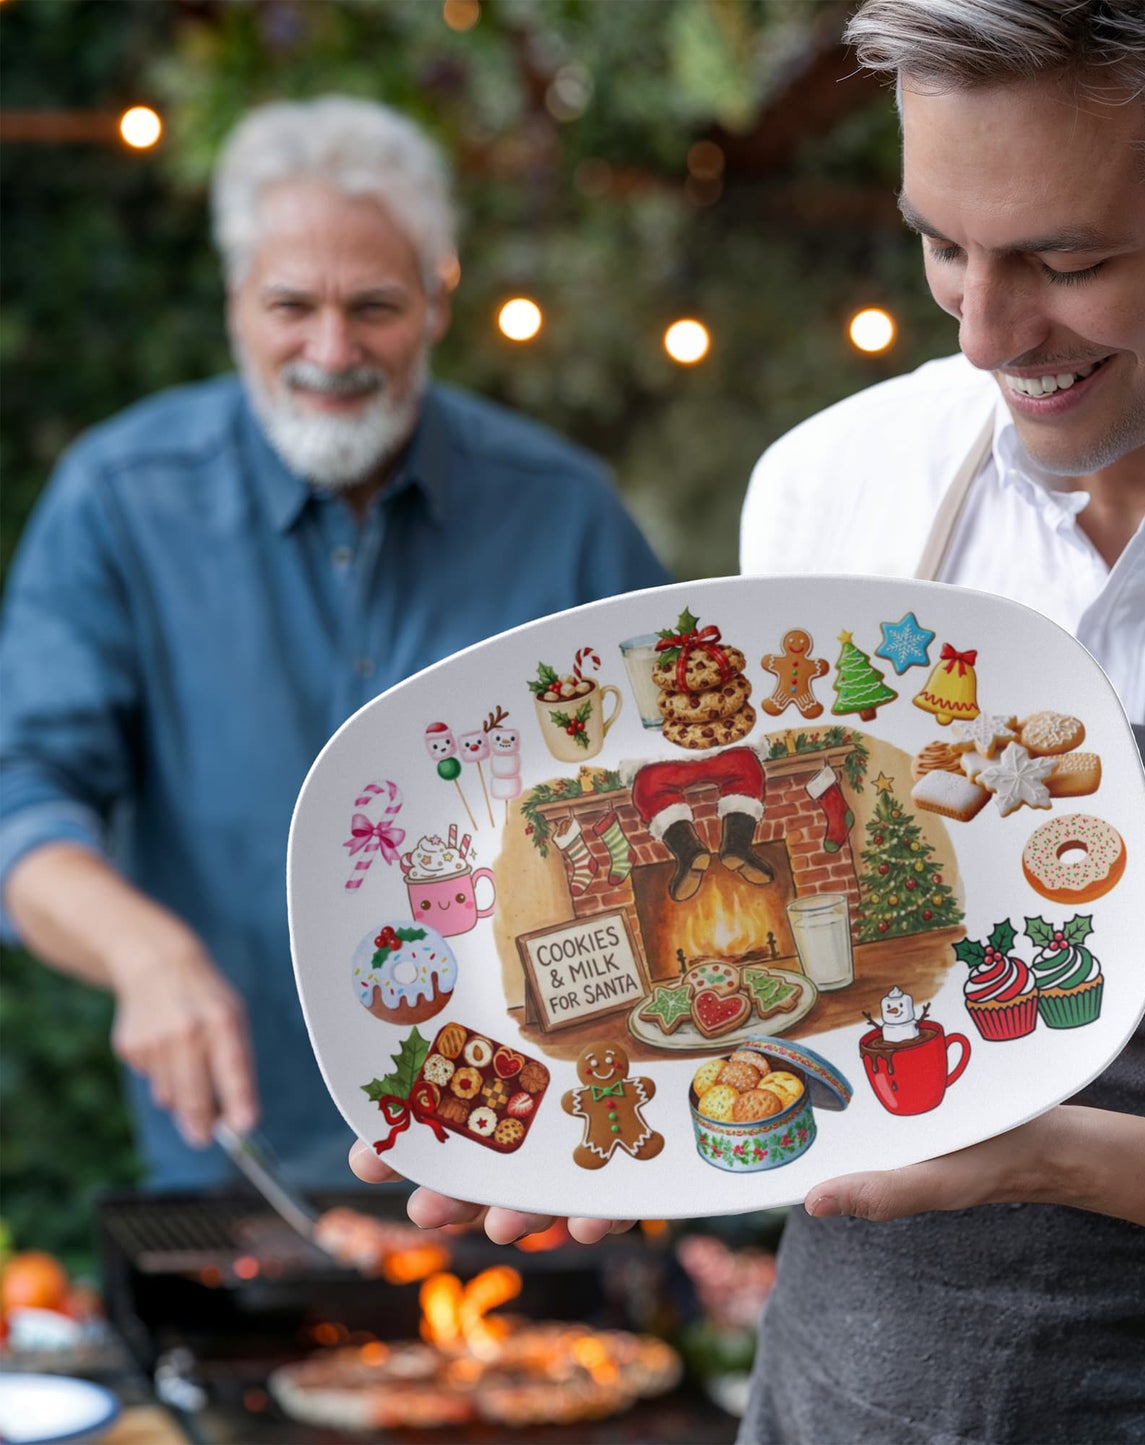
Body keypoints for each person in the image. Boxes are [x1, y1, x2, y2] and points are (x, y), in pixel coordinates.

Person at [355, 0, 1145, 1437]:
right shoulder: (836, 485)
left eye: (1068, 260)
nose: (989, 336)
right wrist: (617, 1125)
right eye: (940, 244)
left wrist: (1055, 1155)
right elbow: (773, 980)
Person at [0, 96, 669, 1191]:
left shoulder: (566, 513)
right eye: (289, 305)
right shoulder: (119, 499)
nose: (331, 348)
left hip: (529, 1149)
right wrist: (142, 950)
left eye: (373, 306)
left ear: (439, 300)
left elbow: (664, 796)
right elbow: (22, 800)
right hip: (234, 1164)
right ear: (233, 303)